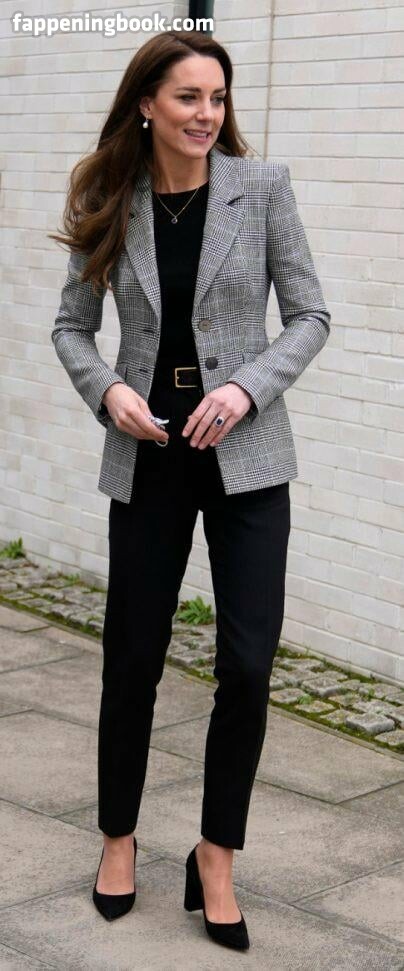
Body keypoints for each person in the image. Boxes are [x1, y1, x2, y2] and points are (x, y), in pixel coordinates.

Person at [50, 29, 331, 952]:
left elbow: (311, 313)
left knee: (247, 664)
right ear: (147, 104)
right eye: (187, 97)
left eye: (217, 97)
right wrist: (110, 392)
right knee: (132, 656)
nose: (207, 114)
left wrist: (247, 386)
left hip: (245, 454)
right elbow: (72, 327)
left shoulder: (264, 189)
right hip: (150, 454)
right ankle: (118, 837)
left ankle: (216, 853)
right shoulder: (110, 197)